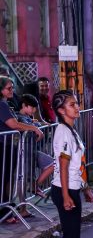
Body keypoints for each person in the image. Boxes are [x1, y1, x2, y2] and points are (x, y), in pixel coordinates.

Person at [49, 90, 93, 238]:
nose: (77, 107)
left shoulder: (71, 130)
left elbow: (78, 166)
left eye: (76, 103)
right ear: (61, 110)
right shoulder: (63, 131)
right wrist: (67, 195)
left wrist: (85, 188)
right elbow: (63, 164)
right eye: (71, 104)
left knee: (72, 233)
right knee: (71, 235)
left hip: (73, 188)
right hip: (64, 189)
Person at [0, 77, 44, 224]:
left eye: (12, 87)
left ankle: (7, 208)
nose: (12, 90)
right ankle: (4, 210)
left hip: (7, 145)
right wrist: (33, 128)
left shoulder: (6, 103)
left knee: (7, 179)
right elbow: (13, 124)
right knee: (4, 179)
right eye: (9, 88)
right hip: (3, 146)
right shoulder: (2, 104)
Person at [16, 94, 55, 197]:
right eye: (32, 107)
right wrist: (36, 125)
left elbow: (33, 125)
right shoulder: (19, 118)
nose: (34, 110)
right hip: (24, 152)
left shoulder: (28, 118)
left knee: (52, 164)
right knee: (24, 177)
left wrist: (37, 124)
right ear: (24, 105)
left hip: (33, 150)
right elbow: (28, 126)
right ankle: (23, 202)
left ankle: (34, 185)